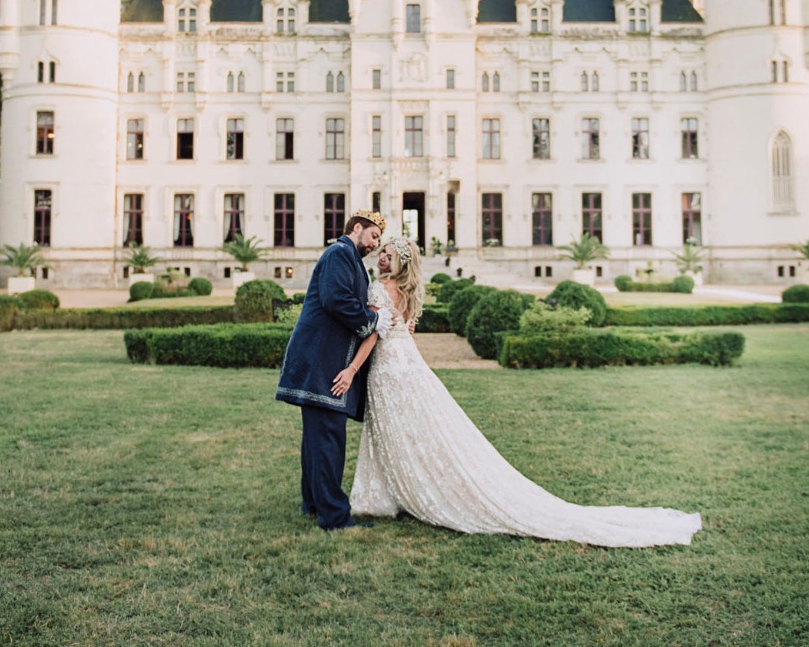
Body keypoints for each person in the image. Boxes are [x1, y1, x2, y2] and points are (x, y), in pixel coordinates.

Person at [339, 236, 703, 548]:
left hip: (389, 367)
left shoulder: (377, 287)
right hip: (409, 363)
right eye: (382, 251)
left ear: (400, 262)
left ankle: (394, 492)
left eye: (388, 253)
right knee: (411, 427)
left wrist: (352, 369)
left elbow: (375, 332)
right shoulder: (405, 290)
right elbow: (407, 328)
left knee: (396, 428)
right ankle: (397, 489)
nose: (381, 256)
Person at [274, 210, 384, 531]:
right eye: (374, 236)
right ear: (358, 228)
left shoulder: (348, 257)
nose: (376, 245)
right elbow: (336, 299)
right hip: (324, 361)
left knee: (317, 438)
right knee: (328, 439)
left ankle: (313, 503)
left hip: (320, 359)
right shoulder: (339, 253)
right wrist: (372, 321)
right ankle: (334, 517)